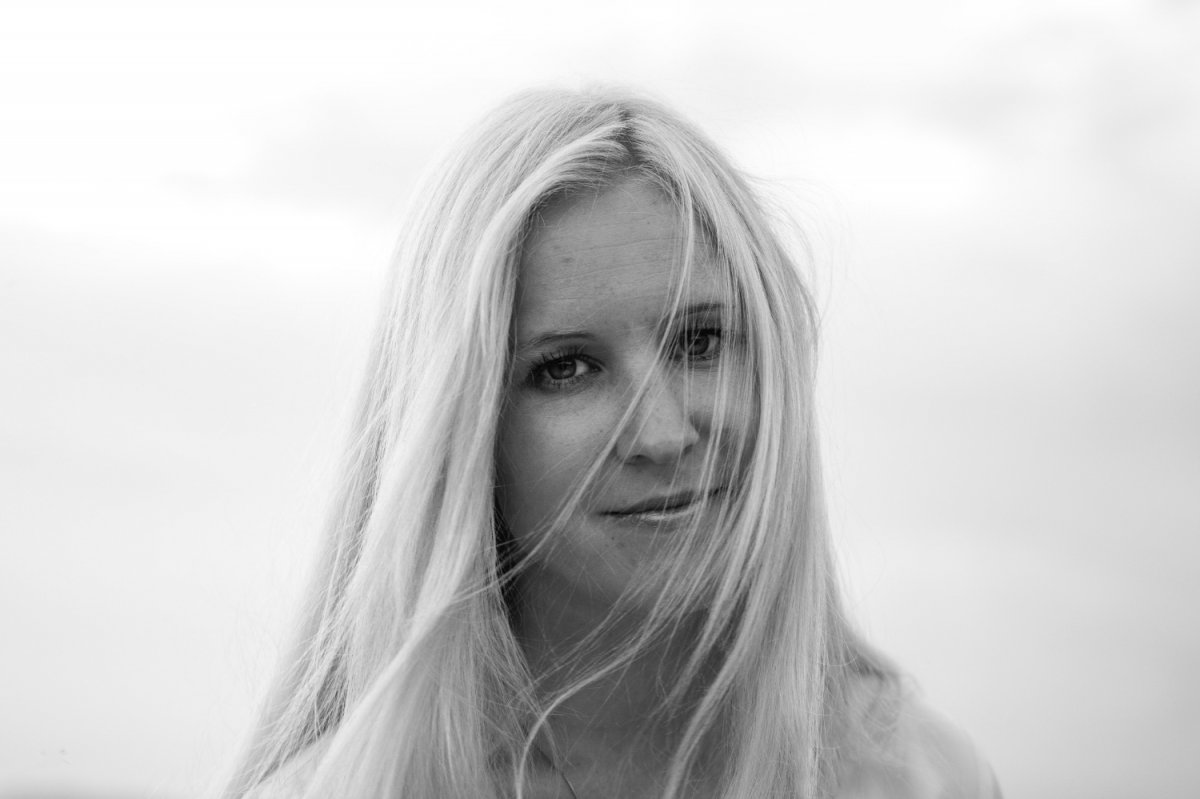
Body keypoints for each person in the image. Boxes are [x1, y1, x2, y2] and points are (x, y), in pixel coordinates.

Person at [222, 88, 1001, 799]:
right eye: (566, 367)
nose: (663, 434)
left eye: (701, 341)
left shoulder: (921, 779)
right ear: (462, 433)